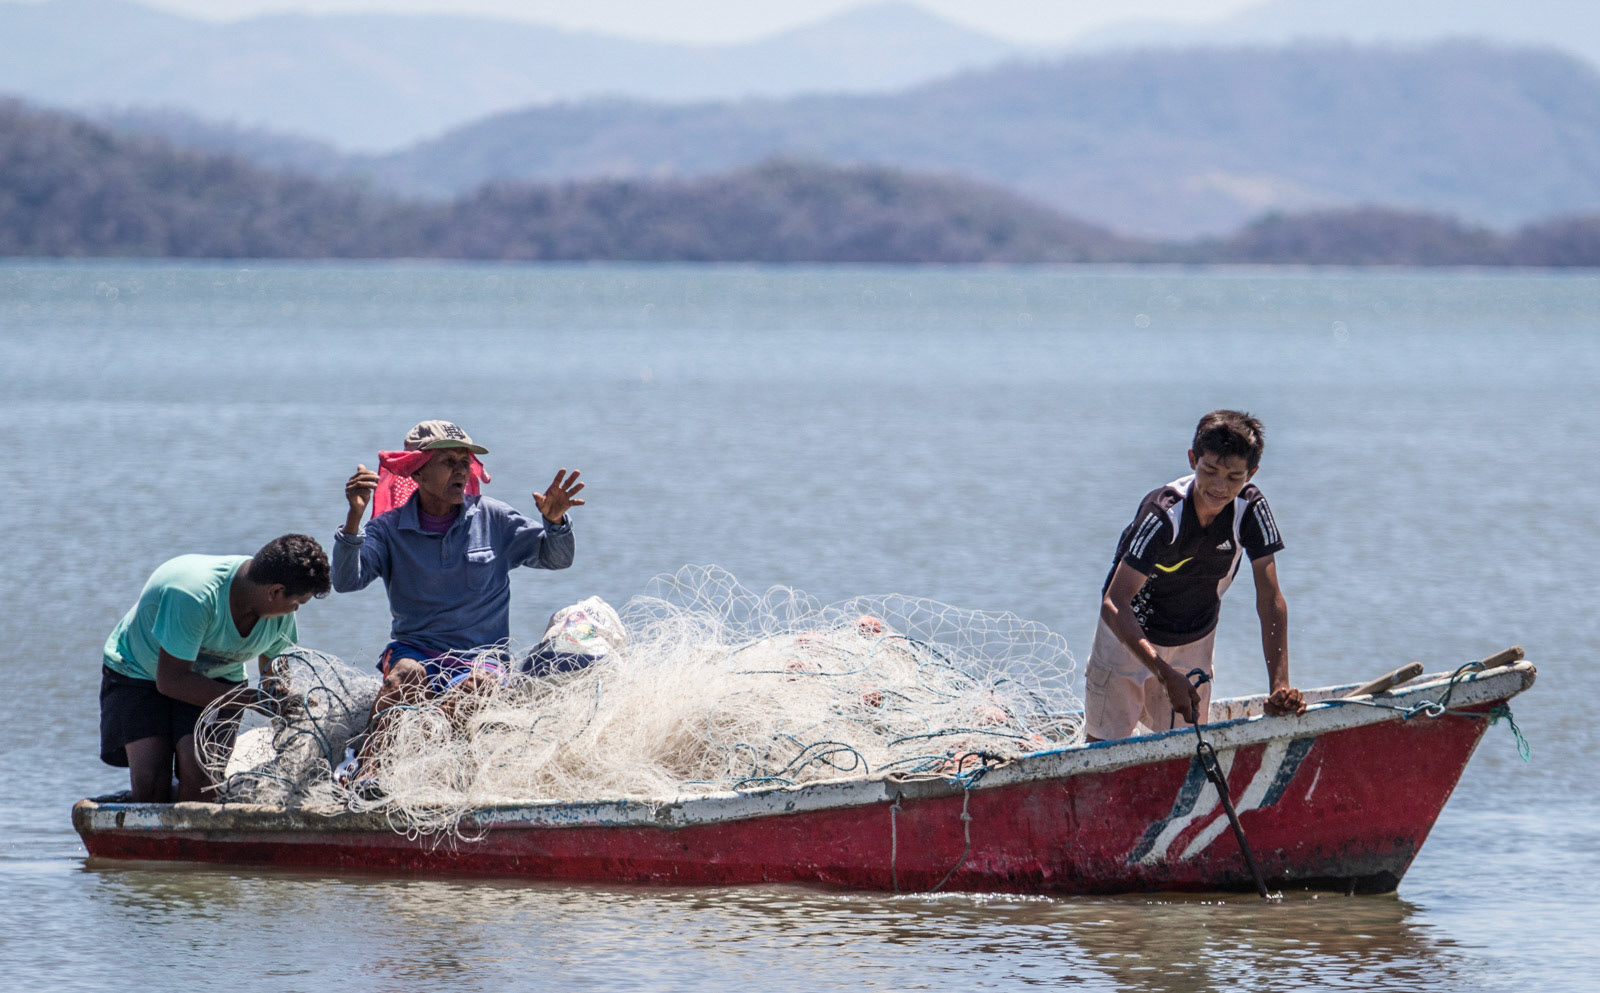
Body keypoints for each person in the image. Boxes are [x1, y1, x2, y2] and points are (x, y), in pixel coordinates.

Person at [333, 420, 585, 750]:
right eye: (448, 462)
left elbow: (556, 557)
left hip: (482, 660)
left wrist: (554, 523)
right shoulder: (388, 530)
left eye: (464, 462)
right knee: (402, 677)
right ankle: (367, 768)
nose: (461, 471)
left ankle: (427, 746)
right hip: (416, 652)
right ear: (416, 471)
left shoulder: (493, 517)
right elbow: (346, 581)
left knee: (477, 685)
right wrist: (354, 520)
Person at [1084, 410, 1306, 742]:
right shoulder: (1163, 514)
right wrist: (1163, 672)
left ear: (1252, 473)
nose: (1219, 486)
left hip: (1195, 640)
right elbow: (1114, 602)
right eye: (1210, 470)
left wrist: (1279, 686)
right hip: (1128, 639)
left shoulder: (1250, 509)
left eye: (1234, 477)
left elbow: (1270, 598)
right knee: (1103, 750)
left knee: (1190, 751)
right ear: (1192, 459)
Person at [99, 534, 331, 802]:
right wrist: (253, 700)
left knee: (200, 775)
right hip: (141, 672)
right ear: (275, 591)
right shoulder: (194, 595)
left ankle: (191, 831)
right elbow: (171, 681)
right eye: (297, 603)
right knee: (151, 784)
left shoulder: (279, 617)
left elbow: (273, 675)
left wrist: (284, 702)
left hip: (218, 679)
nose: (295, 610)